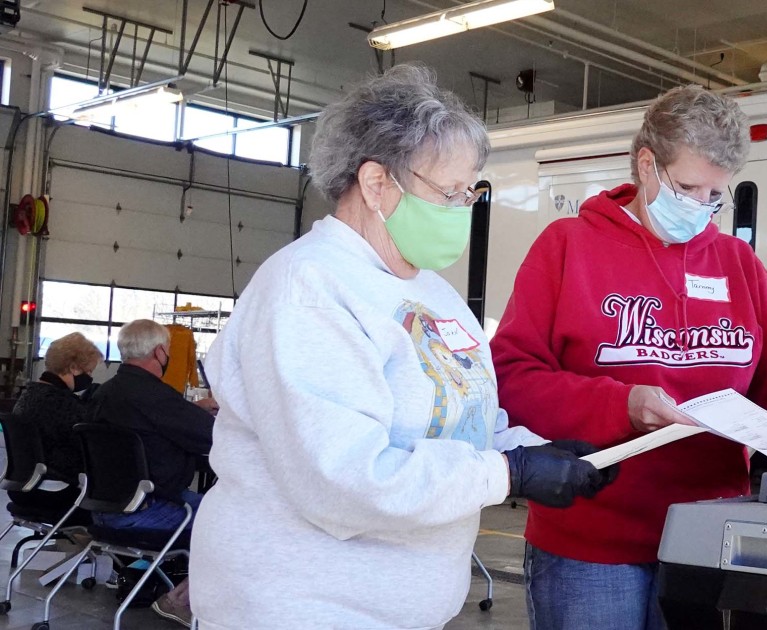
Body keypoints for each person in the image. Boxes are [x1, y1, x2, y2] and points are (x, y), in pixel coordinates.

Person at [189, 64, 616, 630]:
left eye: (471, 191)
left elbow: (459, 422)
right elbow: (345, 480)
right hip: (304, 607)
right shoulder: (308, 287)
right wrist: (510, 473)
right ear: (375, 183)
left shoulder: (434, 294)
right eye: (450, 191)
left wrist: (537, 448)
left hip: (402, 610)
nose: (464, 207)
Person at [491, 85, 767, 630]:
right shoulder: (567, 248)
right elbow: (511, 377)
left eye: (715, 195)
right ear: (647, 165)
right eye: (688, 188)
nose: (701, 209)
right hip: (592, 546)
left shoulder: (734, 262)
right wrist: (621, 405)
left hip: (708, 538)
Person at [90, 319, 218, 627]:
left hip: (101, 510)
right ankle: (182, 600)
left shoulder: (103, 394)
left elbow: (155, 425)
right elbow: (212, 436)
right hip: (149, 511)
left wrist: (190, 411)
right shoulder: (156, 396)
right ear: (160, 352)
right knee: (234, 519)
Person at [7, 332, 101, 515]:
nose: (90, 378)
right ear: (74, 367)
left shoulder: (29, 395)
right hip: (56, 493)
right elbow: (91, 450)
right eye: (89, 371)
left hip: (22, 488)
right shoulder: (62, 404)